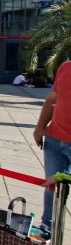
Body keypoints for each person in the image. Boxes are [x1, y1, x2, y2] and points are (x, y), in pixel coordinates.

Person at [34, 60, 71, 230]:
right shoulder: (66, 67)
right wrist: (40, 127)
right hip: (55, 139)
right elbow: (53, 98)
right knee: (51, 185)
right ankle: (47, 225)